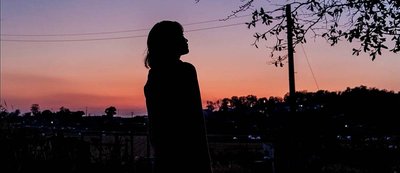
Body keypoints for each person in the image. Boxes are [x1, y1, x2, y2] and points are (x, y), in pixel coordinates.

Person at [144, 21, 213, 173]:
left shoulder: (154, 77)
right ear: (169, 42)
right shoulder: (185, 71)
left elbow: (157, 128)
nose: (186, 40)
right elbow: (195, 124)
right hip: (189, 158)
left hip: (165, 158)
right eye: (181, 36)